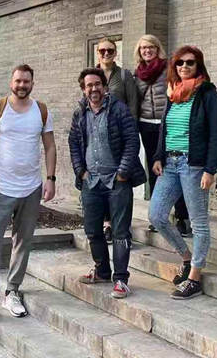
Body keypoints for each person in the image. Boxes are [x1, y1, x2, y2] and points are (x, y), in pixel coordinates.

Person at [0, 64, 56, 330]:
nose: (22, 85)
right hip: (0, 188)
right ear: (11, 82)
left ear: (32, 83)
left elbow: (50, 146)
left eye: (26, 81)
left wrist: (50, 179)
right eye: (18, 80)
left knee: (23, 241)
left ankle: (13, 292)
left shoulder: (41, 111)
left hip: (30, 188)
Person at [148, 46, 217, 300]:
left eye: (190, 63)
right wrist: (158, 156)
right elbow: (164, 129)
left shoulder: (207, 93)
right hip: (169, 164)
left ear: (198, 65)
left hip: (194, 165)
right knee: (157, 215)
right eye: (179, 63)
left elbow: (216, 133)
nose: (184, 67)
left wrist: (210, 169)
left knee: (199, 222)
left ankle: (194, 277)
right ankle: (186, 256)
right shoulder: (173, 93)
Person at [69, 68, 144, 299]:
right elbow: (73, 142)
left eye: (97, 84)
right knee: (92, 231)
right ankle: (102, 271)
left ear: (104, 86)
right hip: (91, 181)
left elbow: (132, 141)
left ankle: (121, 279)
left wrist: (123, 173)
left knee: (120, 232)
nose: (94, 89)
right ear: (84, 89)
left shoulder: (118, 109)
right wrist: (80, 171)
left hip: (117, 181)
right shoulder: (80, 112)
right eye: (89, 85)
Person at [134, 34, 191, 237]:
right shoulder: (138, 73)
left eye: (151, 47)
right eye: (143, 48)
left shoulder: (169, 68)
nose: (147, 51)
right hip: (147, 125)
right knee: (155, 169)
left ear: (158, 48)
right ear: (139, 52)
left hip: (167, 125)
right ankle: (159, 216)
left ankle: (183, 217)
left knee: (175, 167)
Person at [95, 38, 139, 243]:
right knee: (101, 179)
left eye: (109, 50)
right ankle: (106, 225)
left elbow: (132, 105)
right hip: (97, 136)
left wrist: (129, 132)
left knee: (121, 181)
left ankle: (121, 227)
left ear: (115, 52)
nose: (106, 53)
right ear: (97, 52)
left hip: (119, 136)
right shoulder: (91, 75)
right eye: (102, 50)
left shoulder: (124, 75)